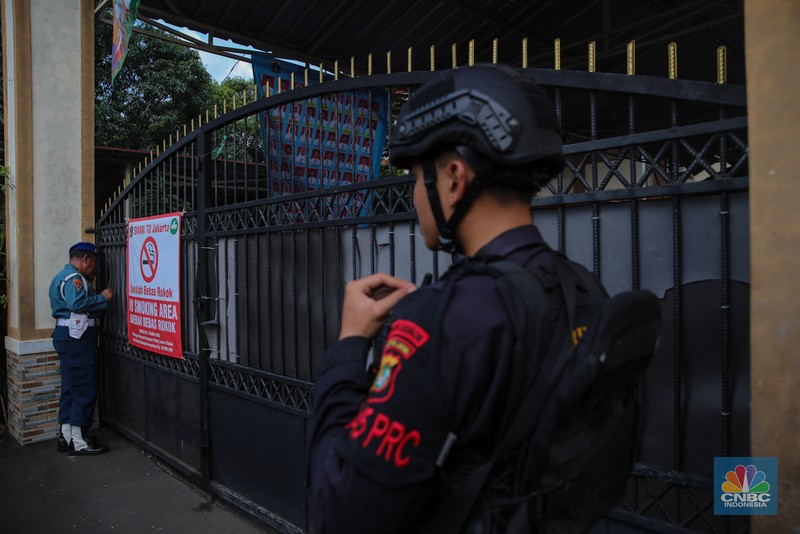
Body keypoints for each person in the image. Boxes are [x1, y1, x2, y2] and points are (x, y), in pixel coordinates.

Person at [308, 64, 608, 533]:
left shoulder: (442, 320)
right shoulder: (586, 290)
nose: (413, 196)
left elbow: (338, 510)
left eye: (414, 177)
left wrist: (349, 348)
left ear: (453, 178)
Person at [49, 241, 114, 456]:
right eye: (93, 261)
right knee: (84, 388)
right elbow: (77, 304)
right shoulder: (74, 279)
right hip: (77, 339)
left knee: (70, 387)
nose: (94, 267)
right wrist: (101, 298)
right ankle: (79, 441)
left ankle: (67, 435)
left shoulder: (62, 276)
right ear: (86, 259)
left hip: (68, 337)